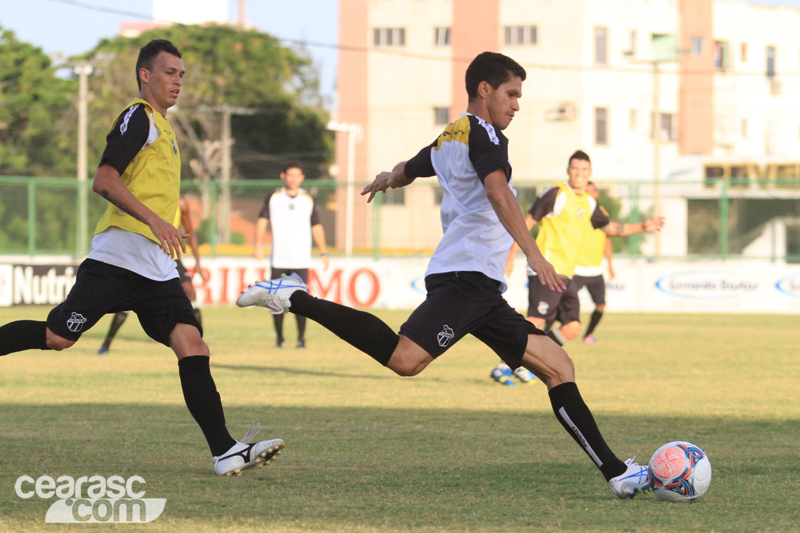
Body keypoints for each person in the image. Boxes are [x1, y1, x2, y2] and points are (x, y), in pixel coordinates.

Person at [237, 52, 652, 499]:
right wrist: (535, 255)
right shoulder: (486, 134)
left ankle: (617, 473)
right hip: (464, 278)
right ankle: (293, 296)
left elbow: (412, 167)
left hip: (481, 287)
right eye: (512, 94)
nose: (517, 105)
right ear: (485, 90)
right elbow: (497, 191)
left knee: (559, 366)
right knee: (404, 359)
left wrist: (386, 178)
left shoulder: (450, 135)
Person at [0, 39, 283, 476]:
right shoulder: (140, 117)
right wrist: (156, 220)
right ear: (145, 75)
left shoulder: (167, 129)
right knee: (59, 337)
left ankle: (225, 451)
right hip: (118, 257)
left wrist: (165, 229)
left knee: (194, 345)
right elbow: (104, 179)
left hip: (155, 268)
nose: (178, 81)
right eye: (169, 72)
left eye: (182, 74)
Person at [497, 150, 663, 357]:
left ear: (590, 172)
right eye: (575, 168)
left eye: (584, 169)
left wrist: (642, 226)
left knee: (573, 327)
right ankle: (506, 364)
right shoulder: (556, 194)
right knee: (536, 320)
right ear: (568, 170)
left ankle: (531, 360)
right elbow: (526, 222)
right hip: (546, 268)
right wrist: (510, 256)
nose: (579, 173)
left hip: (567, 273)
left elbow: (610, 228)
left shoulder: (589, 202)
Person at [98, 196, 207, 354]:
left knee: (189, 291)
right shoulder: (149, 197)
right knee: (128, 300)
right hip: (145, 255)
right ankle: (107, 343)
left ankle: (199, 343)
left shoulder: (181, 203)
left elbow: (190, 231)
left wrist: (198, 262)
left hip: (170, 256)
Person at [253, 162, 329, 348]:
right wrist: (257, 245)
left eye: (297, 175)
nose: (293, 179)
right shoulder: (273, 197)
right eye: (290, 175)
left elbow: (316, 226)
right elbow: (262, 221)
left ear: (302, 178)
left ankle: (301, 339)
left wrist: (324, 251)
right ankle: (279, 339)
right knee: (276, 299)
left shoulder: (308, 199)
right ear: (283, 176)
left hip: (301, 259)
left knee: (301, 300)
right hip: (279, 257)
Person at [571, 181, 614, 344]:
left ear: (596, 194)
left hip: (595, 269)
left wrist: (610, 264)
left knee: (601, 305)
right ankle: (546, 334)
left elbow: (607, 238)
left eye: (592, 191)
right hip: (576, 268)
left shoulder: (602, 213)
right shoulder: (577, 212)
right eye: (586, 191)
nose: (590, 194)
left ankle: (588, 335)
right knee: (560, 307)